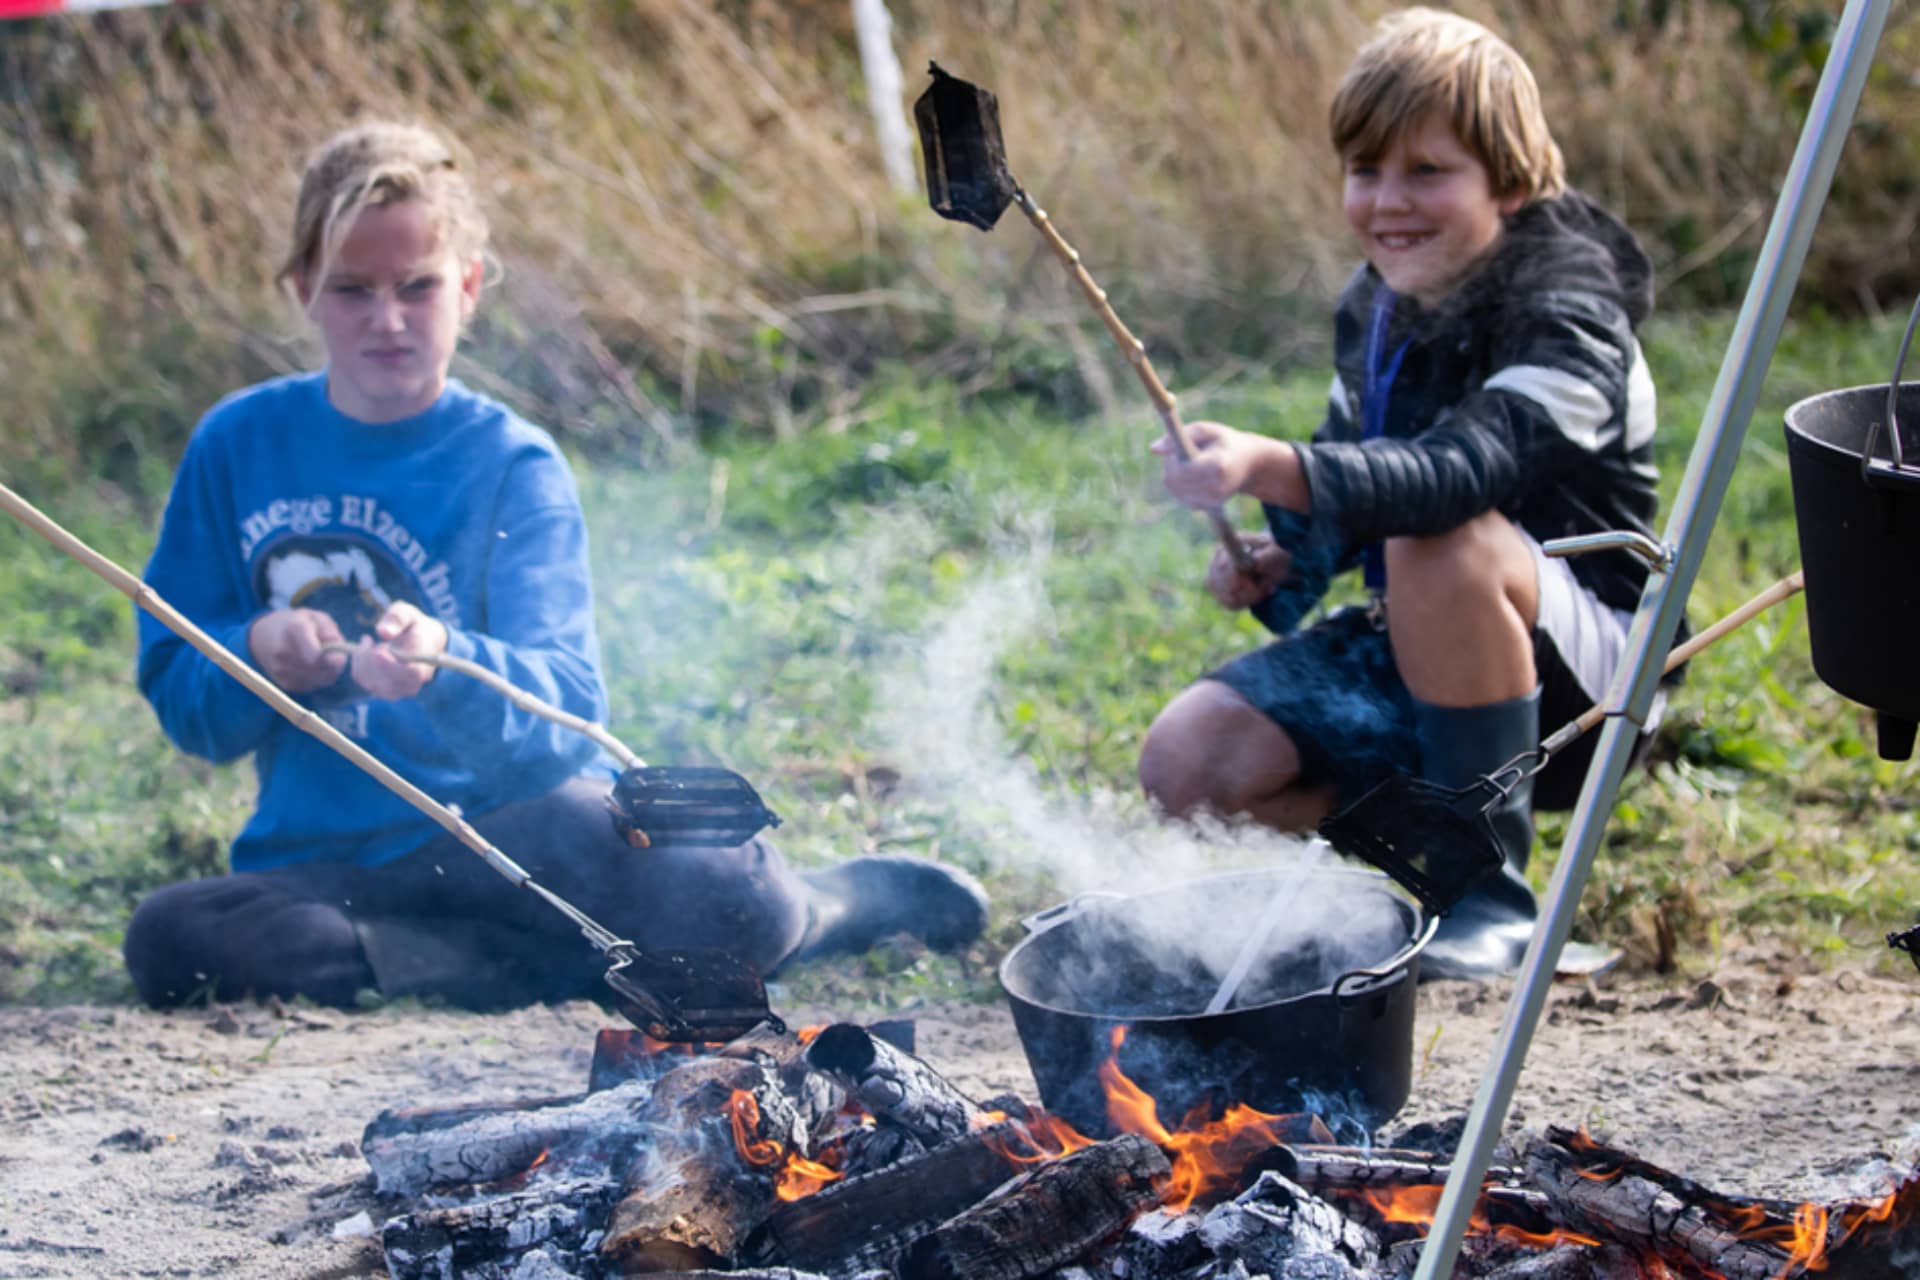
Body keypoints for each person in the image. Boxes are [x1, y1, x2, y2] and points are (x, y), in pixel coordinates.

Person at [123, 120, 987, 1012]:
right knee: (171, 940)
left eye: (416, 287)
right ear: (303, 289)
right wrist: (253, 653)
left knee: (734, 897)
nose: (386, 319)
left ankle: (823, 901)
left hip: (506, 833)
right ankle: (530, 965)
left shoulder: (510, 463)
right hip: (329, 862)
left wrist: (441, 668)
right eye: (352, 290)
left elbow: (568, 714)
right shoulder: (237, 444)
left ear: (467, 287)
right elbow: (186, 700)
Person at [1139, 8, 1671, 980]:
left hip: (1589, 685)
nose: (1390, 201)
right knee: (1191, 764)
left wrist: (1268, 463)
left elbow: (1453, 480)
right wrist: (1285, 561)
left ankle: (1488, 899)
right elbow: (1353, 476)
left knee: (1443, 536)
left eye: (1428, 171)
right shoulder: (1376, 302)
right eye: (1365, 171)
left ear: (1509, 181)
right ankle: (1409, 875)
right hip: (1426, 639)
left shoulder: (1570, 310)